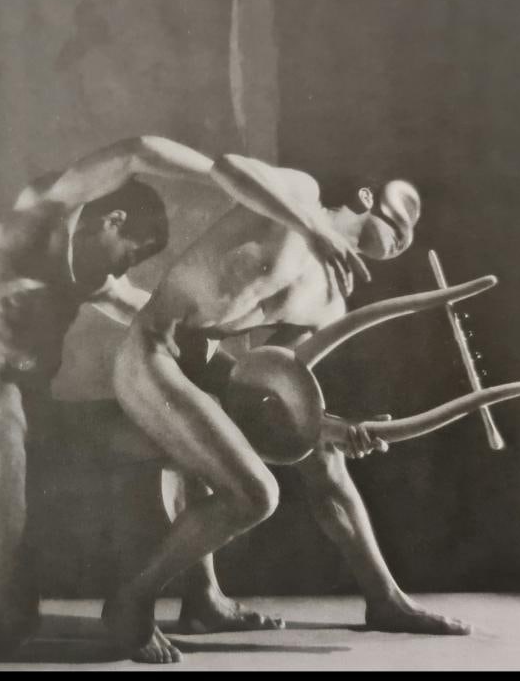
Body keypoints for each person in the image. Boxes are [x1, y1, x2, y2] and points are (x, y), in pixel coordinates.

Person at [0, 136, 360, 660]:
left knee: (186, 434)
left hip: (45, 422)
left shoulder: (95, 280)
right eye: (133, 249)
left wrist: (309, 418)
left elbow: (186, 344)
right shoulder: (38, 221)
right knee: (7, 627)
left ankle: (188, 595)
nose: (129, 266)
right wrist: (220, 177)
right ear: (112, 219)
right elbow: (138, 150)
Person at [103, 154, 476, 663]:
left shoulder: (331, 300)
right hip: (154, 351)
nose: (405, 237)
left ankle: (383, 599)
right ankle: (131, 599)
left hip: (213, 369)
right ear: (365, 199)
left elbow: (274, 389)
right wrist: (313, 228)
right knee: (255, 494)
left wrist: (337, 429)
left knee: (325, 460)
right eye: (399, 223)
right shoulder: (296, 195)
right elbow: (227, 167)